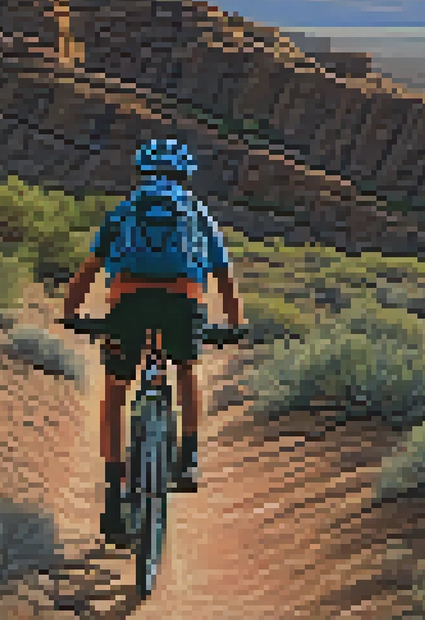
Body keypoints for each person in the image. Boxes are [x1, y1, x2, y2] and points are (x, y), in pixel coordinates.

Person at [61, 138, 245, 547]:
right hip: (185, 301)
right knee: (184, 369)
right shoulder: (196, 211)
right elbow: (224, 277)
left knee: (114, 393)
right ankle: (189, 459)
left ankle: (113, 494)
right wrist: (234, 324)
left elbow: (89, 268)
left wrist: (72, 312)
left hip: (127, 301)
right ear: (186, 177)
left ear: (142, 173)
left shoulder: (126, 209)